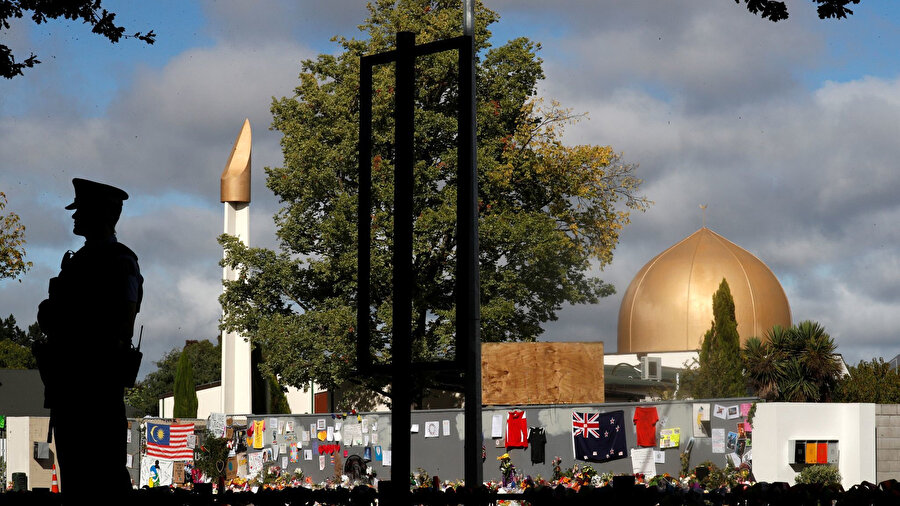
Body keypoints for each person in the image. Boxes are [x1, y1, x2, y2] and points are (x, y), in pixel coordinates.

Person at [35, 178, 143, 501]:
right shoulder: (78, 261)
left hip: (97, 390)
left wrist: (64, 318)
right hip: (70, 390)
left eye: (80, 210)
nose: (74, 216)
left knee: (104, 477)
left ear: (101, 215)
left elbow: (120, 322)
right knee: (75, 477)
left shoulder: (120, 262)